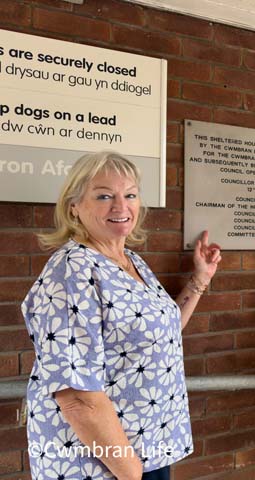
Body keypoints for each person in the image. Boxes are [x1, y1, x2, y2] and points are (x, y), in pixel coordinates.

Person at [22, 151, 222, 480]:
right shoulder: (72, 271)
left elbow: (161, 333)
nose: (120, 206)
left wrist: (200, 280)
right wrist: (129, 470)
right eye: (103, 196)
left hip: (147, 448)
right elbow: (75, 395)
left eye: (129, 194)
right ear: (74, 206)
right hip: (101, 464)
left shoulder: (130, 261)